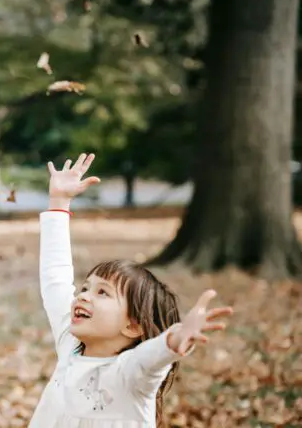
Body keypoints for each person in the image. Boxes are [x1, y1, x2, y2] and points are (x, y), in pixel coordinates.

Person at [29, 153, 233, 428]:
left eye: (103, 293)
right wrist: (59, 203)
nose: (84, 295)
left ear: (134, 325)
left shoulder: (131, 375)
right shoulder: (70, 346)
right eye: (86, 287)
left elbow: (153, 357)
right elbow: (56, 277)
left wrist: (175, 339)